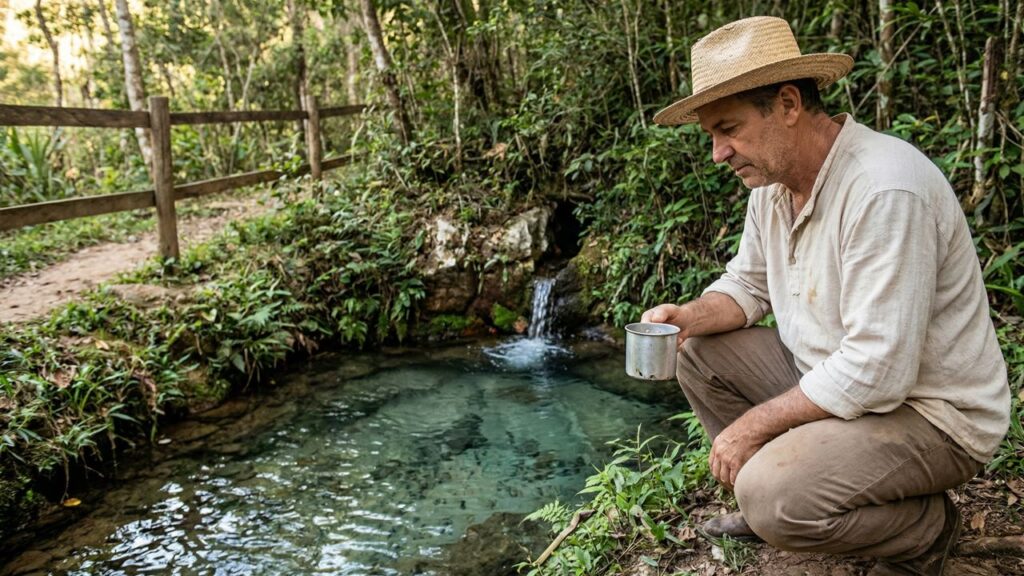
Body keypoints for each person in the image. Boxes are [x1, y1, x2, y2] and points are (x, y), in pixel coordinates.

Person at [643, 16, 1010, 576]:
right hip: (839, 379)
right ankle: (782, 487)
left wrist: (754, 427)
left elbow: (879, 369)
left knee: (772, 497)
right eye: (712, 136)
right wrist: (687, 317)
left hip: (931, 414)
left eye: (729, 129)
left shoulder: (884, 187)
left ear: (788, 103)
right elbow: (749, 284)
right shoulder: (772, 184)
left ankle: (924, 529)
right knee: (697, 350)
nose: (719, 152)